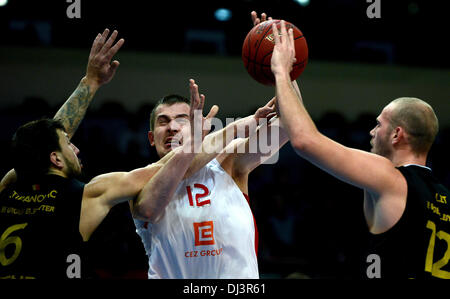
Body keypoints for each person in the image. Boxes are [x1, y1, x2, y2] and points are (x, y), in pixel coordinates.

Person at [0, 29, 208, 279]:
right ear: (55, 159)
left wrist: (91, 81)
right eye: (69, 144)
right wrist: (201, 138)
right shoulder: (87, 194)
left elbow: (43, 143)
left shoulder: (7, 188)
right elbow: (172, 164)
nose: (76, 148)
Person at [270, 20, 450, 279]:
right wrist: (290, 72)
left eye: (378, 124)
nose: (371, 132)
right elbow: (299, 127)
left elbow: (305, 141)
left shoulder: (391, 178)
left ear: (397, 134)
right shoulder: (443, 196)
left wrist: (280, 72)